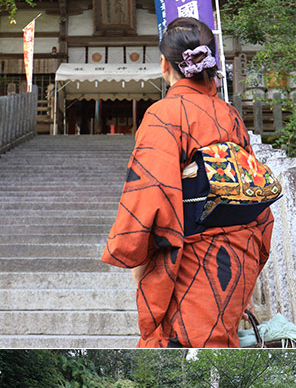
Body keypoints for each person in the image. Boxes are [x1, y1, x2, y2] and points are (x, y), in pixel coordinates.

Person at [101, 18, 274, 348]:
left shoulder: (164, 114)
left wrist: (137, 257)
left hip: (190, 258)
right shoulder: (230, 115)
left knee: (182, 340)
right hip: (239, 255)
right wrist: (252, 264)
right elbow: (256, 190)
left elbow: (149, 194)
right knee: (218, 339)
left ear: (165, 64)